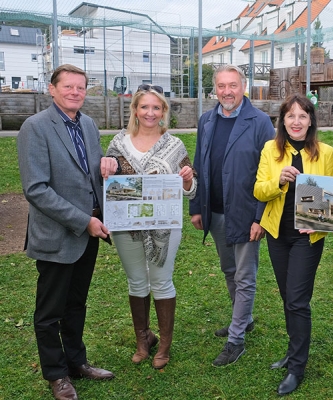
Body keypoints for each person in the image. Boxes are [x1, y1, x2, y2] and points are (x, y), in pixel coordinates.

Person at [17, 64, 119, 400]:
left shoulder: (88, 124)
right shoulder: (35, 127)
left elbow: (89, 173)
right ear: (52, 89)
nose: (75, 92)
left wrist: (107, 164)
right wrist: (82, 221)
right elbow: (37, 189)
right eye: (68, 87)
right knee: (50, 312)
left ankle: (77, 362)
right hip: (58, 234)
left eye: (81, 87)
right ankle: (57, 374)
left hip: (87, 234)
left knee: (76, 304)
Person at [253, 93, 333, 395]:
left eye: (303, 115)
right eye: (290, 115)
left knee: (297, 300)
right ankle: (293, 351)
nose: (296, 121)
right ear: (282, 121)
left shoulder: (325, 152)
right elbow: (259, 190)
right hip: (277, 235)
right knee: (287, 297)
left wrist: (323, 222)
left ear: (311, 120)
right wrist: (279, 180)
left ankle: (297, 367)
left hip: (307, 238)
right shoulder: (271, 149)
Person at [106, 84, 196, 369]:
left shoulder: (174, 146)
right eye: (144, 106)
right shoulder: (118, 143)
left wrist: (186, 180)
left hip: (164, 226)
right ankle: (144, 339)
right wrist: (106, 168)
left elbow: (191, 190)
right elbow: (109, 185)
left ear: (163, 112)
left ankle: (165, 346)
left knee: (161, 280)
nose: (150, 112)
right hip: (127, 225)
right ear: (135, 109)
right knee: (136, 281)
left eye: (156, 107)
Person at [189, 64, 275, 367]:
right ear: (215, 88)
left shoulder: (261, 122)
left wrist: (260, 217)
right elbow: (200, 162)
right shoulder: (207, 120)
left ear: (243, 86)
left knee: (245, 276)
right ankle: (244, 319)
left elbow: (270, 172)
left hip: (246, 212)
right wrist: (196, 206)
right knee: (229, 271)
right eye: (222, 86)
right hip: (215, 212)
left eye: (233, 85)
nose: (227, 91)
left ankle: (236, 339)